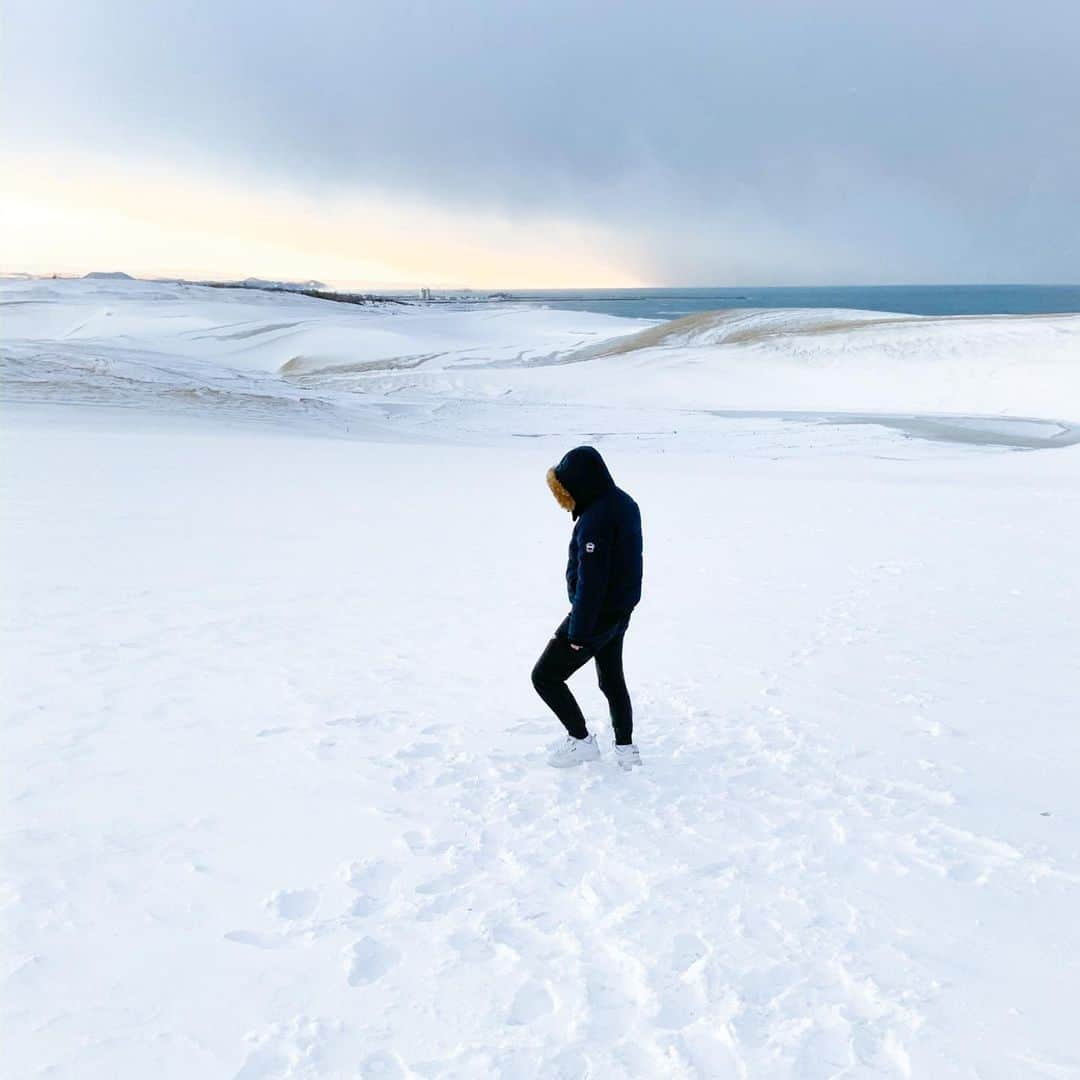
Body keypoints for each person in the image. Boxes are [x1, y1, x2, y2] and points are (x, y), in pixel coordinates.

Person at [531, 446, 643, 770]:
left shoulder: (596, 519)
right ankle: (625, 749)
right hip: (619, 613)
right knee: (611, 680)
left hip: (595, 616)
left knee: (544, 677)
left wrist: (579, 631)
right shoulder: (625, 503)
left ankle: (581, 741)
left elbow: (591, 582)